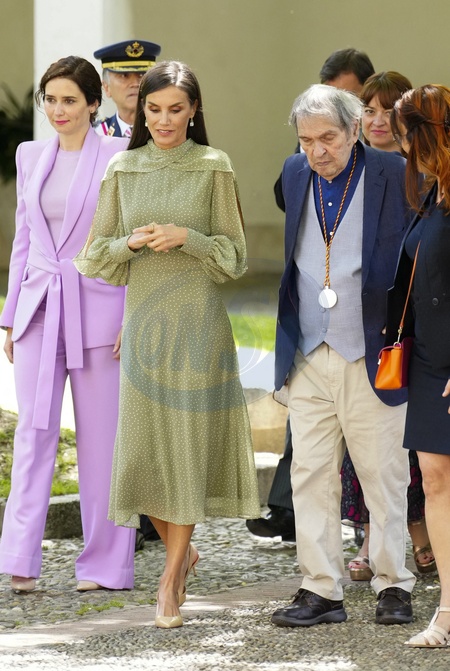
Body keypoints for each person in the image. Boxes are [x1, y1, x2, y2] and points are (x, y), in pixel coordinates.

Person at [74, 60, 261, 629]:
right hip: (143, 327)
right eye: (153, 109)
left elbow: (234, 257)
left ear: (194, 110)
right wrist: (130, 244)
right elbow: (94, 256)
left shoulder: (213, 165)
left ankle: (169, 579)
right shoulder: (123, 169)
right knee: (143, 457)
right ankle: (184, 554)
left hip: (199, 326)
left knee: (186, 450)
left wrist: (188, 237)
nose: (163, 120)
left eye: (176, 109)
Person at [271, 84, 416, 628]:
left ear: (354, 130)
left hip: (372, 348)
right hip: (308, 349)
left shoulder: (394, 173)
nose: (316, 151)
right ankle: (320, 589)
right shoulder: (294, 172)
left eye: (327, 138)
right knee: (310, 473)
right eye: (306, 140)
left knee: (383, 473)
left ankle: (393, 583)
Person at [0, 56, 135, 593]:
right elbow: (23, 240)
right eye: (50, 100)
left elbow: (132, 242)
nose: (58, 111)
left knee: (102, 443)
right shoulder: (30, 155)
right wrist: (10, 318)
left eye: (70, 100)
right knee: (34, 434)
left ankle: (104, 565)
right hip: (37, 310)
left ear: (93, 104)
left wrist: (132, 314)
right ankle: (19, 557)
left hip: (101, 313)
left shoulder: (120, 156)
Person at [249, 49, 375, 542]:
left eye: (349, 98)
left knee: (375, 456)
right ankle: (292, 522)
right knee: (307, 445)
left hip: (365, 334)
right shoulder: (304, 160)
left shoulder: (384, 165)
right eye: (308, 139)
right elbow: (285, 197)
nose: (319, 145)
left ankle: (377, 549)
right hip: (310, 328)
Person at [342, 71, 435, 581]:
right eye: (368, 110)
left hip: (416, 324)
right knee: (369, 443)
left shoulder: (422, 174)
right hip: (367, 327)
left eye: (387, 111)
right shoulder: (347, 168)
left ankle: (419, 535)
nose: (377, 121)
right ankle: (375, 538)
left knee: (413, 446)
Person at [94, 39, 162, 547]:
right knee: (113, 414)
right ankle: (125, 520)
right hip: (106, 287)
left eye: (142, 75)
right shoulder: (92, 142)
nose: (133, 84)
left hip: (159, 287)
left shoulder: (171, 140)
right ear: (105, 84)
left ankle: (159, 510)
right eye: (123, 75)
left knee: (157, 409)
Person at [389, 84, 450, 647]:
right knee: (434, 479)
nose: (403, 148)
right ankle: (448, 612)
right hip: (431, 359)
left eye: (405, 136)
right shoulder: (432, 194)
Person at [94, 39, 161, 137]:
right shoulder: (97, 134)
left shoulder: (165, 131)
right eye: (124, 76)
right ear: (106, 87)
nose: (135, 84)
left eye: (141, 75)